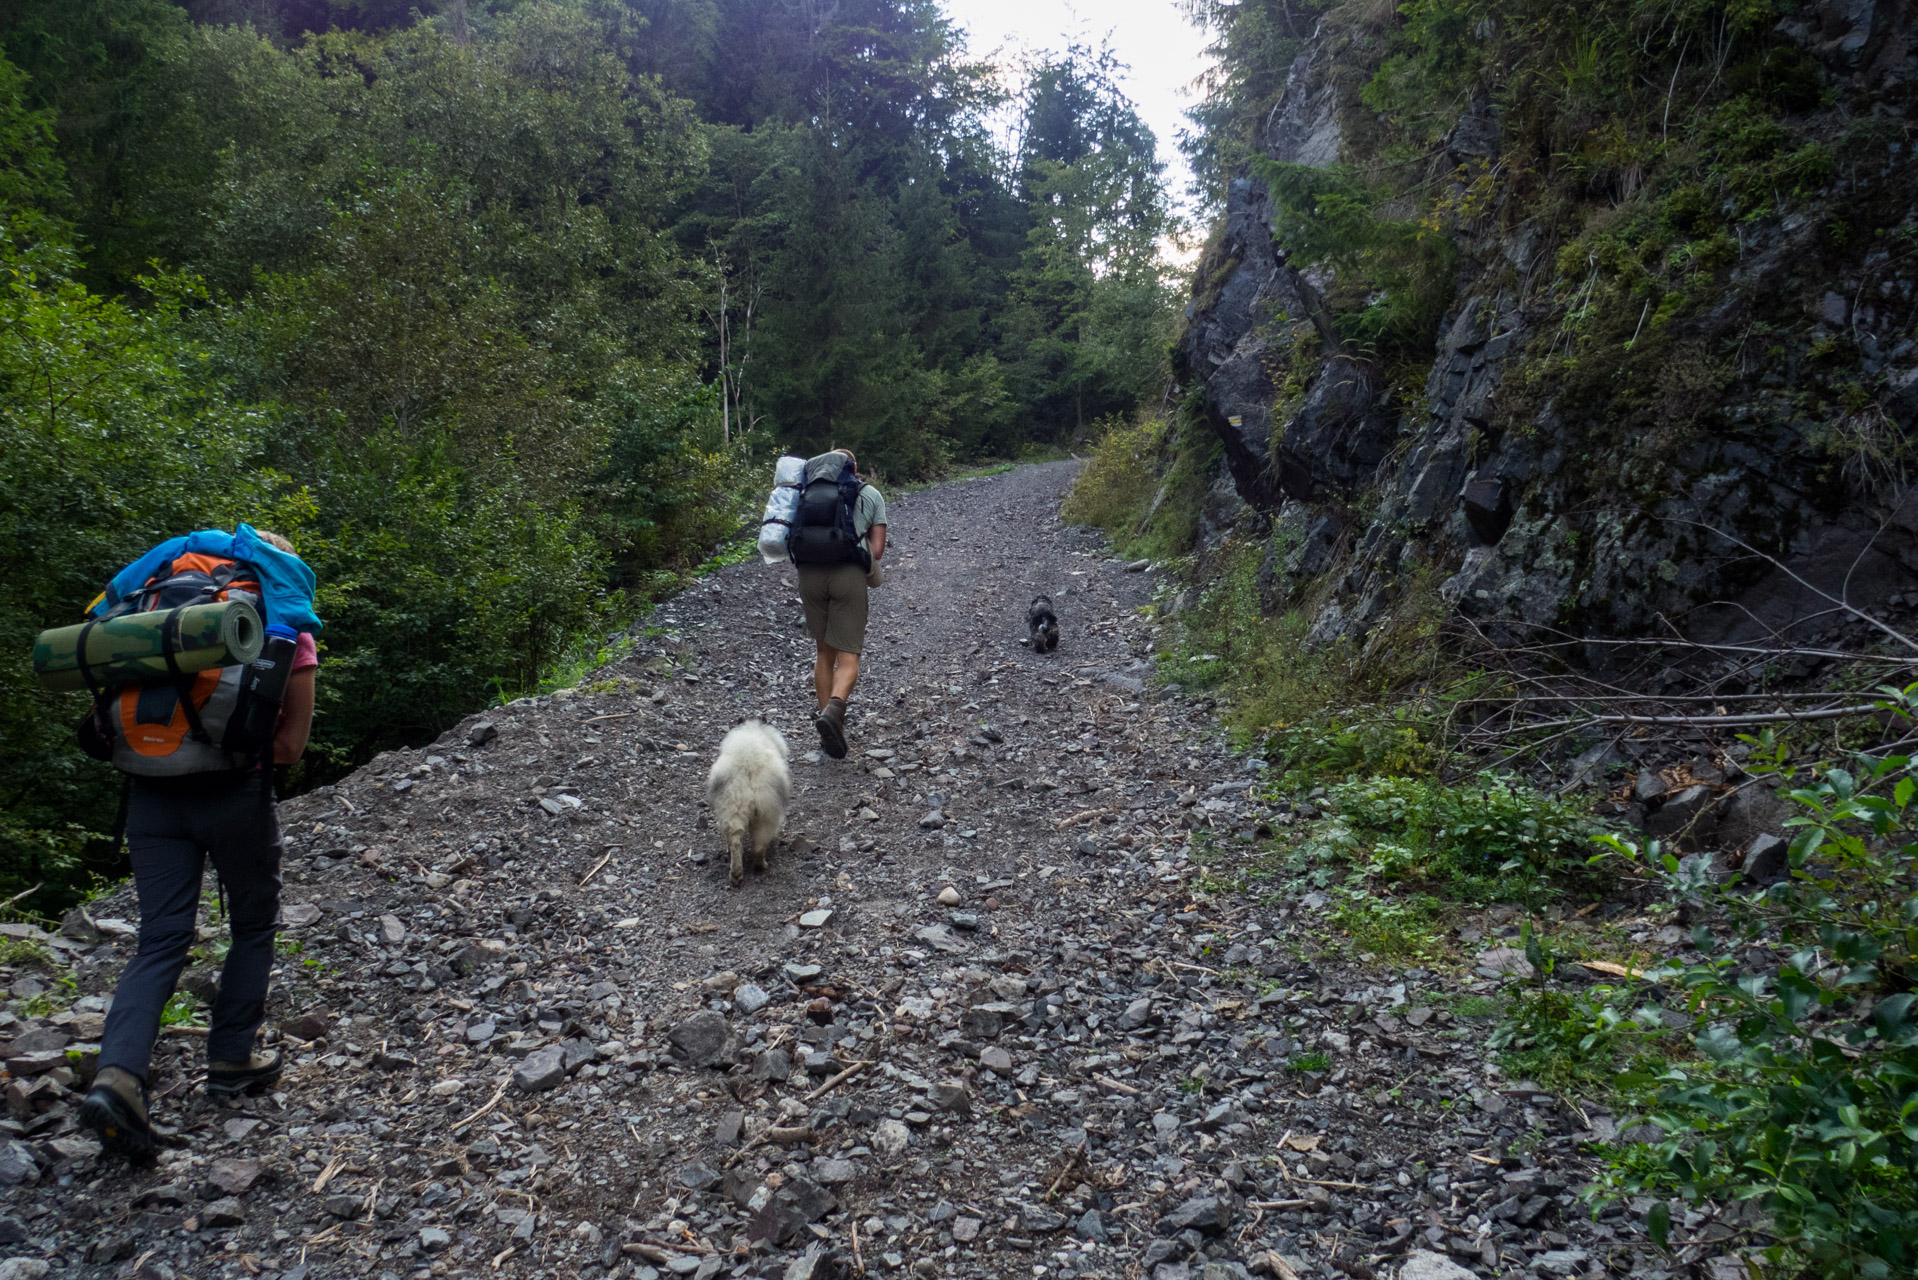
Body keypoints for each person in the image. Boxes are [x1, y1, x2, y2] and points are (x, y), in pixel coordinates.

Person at [79, 528, 320, 1159]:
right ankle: (233, 1055)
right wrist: (224, 751)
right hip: (235, 794)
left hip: (148, 792)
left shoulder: (152, 607)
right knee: (253, 921)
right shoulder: (277, 622)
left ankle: (118, 1075)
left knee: (160, 936)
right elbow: (291, 747)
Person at [795, 448, 886, 758]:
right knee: (849, 658)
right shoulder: (870, 493)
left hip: (809, 576)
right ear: (853, 467)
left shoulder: (804, 492)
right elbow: (877, 550)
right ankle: (833, 714)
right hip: (847, 575)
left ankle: (827, 728)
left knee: (823, 653)